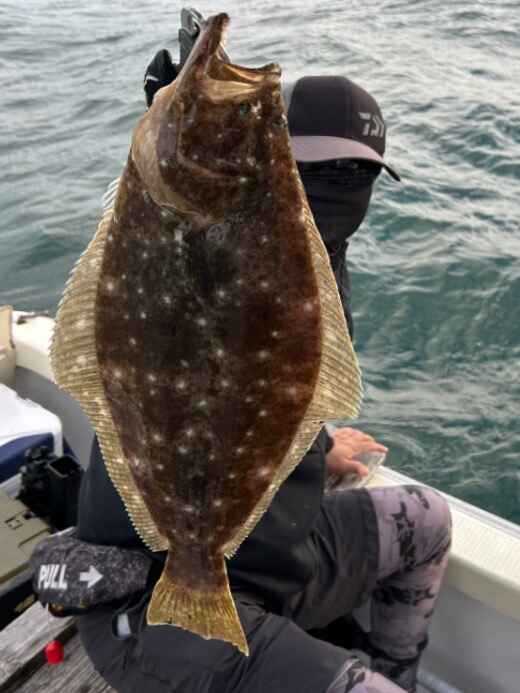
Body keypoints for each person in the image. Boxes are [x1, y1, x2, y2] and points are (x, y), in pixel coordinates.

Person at [74, 55, 452, 693]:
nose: (336, 186)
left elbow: (265, 384)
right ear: (271, 159)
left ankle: (391, 671)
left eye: (357, 172)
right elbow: (171, 281)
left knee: (427, 518)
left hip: (277, 565)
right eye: (312, 168)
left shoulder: (320, 263)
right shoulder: (207, 243)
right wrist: (178, 128)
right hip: (156, 595)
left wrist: (318, 447)